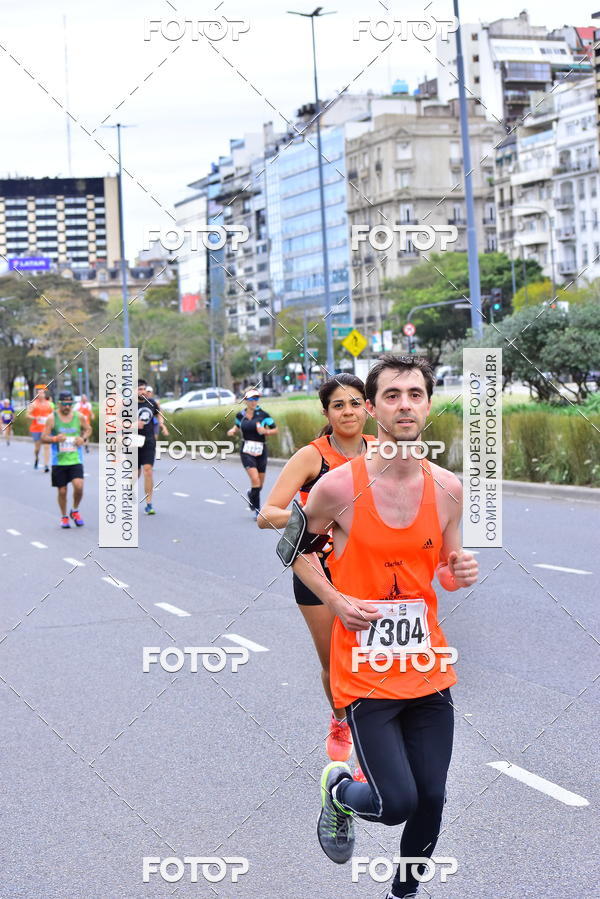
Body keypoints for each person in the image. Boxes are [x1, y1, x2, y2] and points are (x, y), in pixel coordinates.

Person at [289, 355, 479, 898]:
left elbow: (445, 564)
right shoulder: (336, 488)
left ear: (428, 404)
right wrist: (336, 598)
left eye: (415, 394)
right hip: (367, 670)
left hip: (425, 665)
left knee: (433, 798)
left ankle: (403, 894)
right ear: (372, 408)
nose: (405, 405)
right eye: (392, 395)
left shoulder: (447, 488)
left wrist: (457, 570)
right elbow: (296, 552)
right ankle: (341, 791)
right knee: (396, 802)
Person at [259, 374, 376, 766]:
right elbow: (267, 515)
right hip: (318, 570)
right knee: (334, 663)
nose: (348, 411)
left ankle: (372, 745)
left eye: (356, 403)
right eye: (339, 405)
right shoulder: (313, 456)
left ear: (368, 408)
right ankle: (340, 718)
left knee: (375, 658)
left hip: (371, 571)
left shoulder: (383, 451)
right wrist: (315, 518)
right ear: (326, 411)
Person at [41, 390, 91, 528]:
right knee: (62, 491)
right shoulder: (52, 418)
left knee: (79, 486)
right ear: (59, 404)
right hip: (59, 461)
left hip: (75, 459)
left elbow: (88, 429)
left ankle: (74, 510)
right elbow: (43, 437)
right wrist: (55, 438)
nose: (67, 407)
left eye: (69, 404)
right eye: (64, 404)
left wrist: (83, 438)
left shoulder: (79, 416)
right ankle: (64, 516)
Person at [227, 390, 278, 519]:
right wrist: (233, 430)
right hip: (246, 451)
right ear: (245, 400)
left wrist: (265, 431)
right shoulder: (240, 415)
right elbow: (238, 426)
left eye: (256, 399)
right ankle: (257, 509)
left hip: (261, 450)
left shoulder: (264, 415)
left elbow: (275, 429)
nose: (254, 402)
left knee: (259, 484)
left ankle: (251, 494)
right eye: (251, 399)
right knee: (254, 479)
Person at [137, 378, 168, 515]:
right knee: (134, 473)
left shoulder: (152, 403)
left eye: (144, 389)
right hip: (132, 441)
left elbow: (159, 414)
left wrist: (161, 424)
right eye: (139, 389)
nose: (142, 391)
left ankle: (149, 503)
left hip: (149, 440)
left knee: (148, 471)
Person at [27, 388, 54, 471]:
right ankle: (37, 457)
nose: (41, 395)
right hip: (36, 429)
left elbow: (53, 414)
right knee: (37, 448)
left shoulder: (49, 404)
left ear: (44, 394)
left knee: (47, 446)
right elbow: (27, 415)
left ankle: (46, 465)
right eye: (39, 393)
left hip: (46, 429)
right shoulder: (33, 404)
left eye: (42, 393)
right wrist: (35, 417)